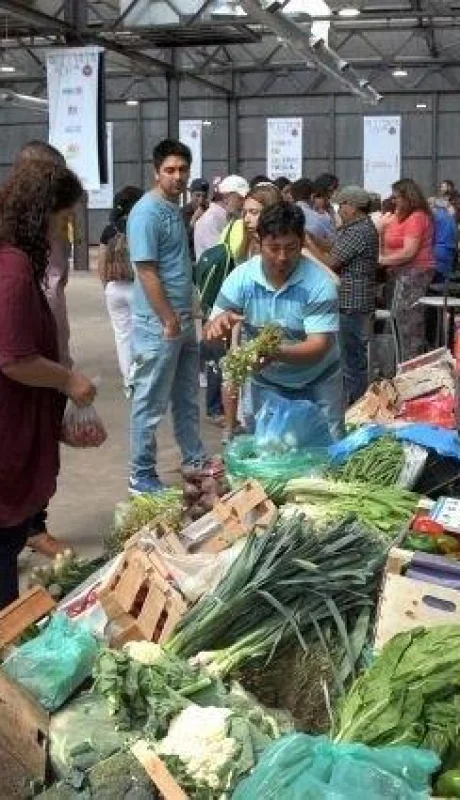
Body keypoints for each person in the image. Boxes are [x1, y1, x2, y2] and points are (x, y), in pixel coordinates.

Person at [0, 161, 96, 610]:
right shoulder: (14, 267)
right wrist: (69, 380)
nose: (69, 225)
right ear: (42, 212)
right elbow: (15, 358)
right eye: (64, 215)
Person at [204, 202, 344, 440]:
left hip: (319, 381)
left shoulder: (319, 285)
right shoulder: (241, 279)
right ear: (259, 243)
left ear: (302, 243)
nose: (282, 257)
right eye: (274, 248)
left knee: (325, 451)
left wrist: (273, 352)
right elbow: (211, 330)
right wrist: (219, 325)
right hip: (267, 383)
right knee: (270, 451)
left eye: (291, 248)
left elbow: (319, 346)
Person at [127, 138, 213, 495]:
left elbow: (178, 265)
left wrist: (187, 312)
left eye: (183, 170)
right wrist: (167, 319)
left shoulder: (174, 210)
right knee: (149, 399)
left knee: (186, 395)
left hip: (179, 318)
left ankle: (194, 458)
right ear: (156, 171)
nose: (178, 177)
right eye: (170, 170)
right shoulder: (146, 212)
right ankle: (141, 474)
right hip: (158, 323)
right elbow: (146, 271)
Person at [14, 139, 74, 557]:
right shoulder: (14, 255)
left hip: (51, 350)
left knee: (40, 448)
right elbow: (13, 354)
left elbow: (59, 287)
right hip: (25, 357)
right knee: (18, 451)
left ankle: (33, 524)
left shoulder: (55, 234)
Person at [220, 183, 282, 440]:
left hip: (278, 332)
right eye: (245, 212)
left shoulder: (283, 249)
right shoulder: (246, 245)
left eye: (254, 212)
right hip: (248, 329)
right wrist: (234, 340)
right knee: (241, 388)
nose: (246, 218)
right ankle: (232, 427)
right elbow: (238, 301)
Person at [327, 186, 379, 405]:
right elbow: (333, 250)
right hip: (352, 302)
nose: (339, 210)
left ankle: (357, 406)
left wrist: (307, 245)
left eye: (342, 205)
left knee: (351, 360)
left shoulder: (359, 231)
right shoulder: (356, 228)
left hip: (352, 303)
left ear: (353, 207)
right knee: (350, 358)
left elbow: (332, 261)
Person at [380, 178, 434, 361]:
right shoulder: (397, 216)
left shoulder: (417, 217)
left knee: (408, 320)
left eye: (397, 197)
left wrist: (382, 260)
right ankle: (396, 360)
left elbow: (409, 252)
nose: (393, 201)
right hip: (397, 273)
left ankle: (411, 361)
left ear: (408, 197)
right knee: (396, 318)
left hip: (414, 273)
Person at [98, 186, 144, 383]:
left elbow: (101, 264)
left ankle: (129, 379)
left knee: (122, 335)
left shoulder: (109, 230)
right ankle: (142, 376)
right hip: (137, 287)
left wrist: (106, 287)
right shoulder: (140, 226)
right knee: (141, 333)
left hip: (114, 288)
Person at [194, 174, 249, 260]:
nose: (244, 202)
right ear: (226, 197)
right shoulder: (211, 219)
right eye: (241, 198)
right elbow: (220, 258)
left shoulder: (226, 216)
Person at [429, 197, 458, 282]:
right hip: (449, 251)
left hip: (437, 251)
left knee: (435, 282)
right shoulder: (451, 218)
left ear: (435, 207)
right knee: (443, 283)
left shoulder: (435, 217)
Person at [182, 178, 209, 261]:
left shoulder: (210, 211)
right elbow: (181, 241)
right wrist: (193, 220)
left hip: (206, 258)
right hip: (190, 260)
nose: (201, 200)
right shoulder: (182, 213)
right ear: (191, 194)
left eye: (204, 196)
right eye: (197, 195)